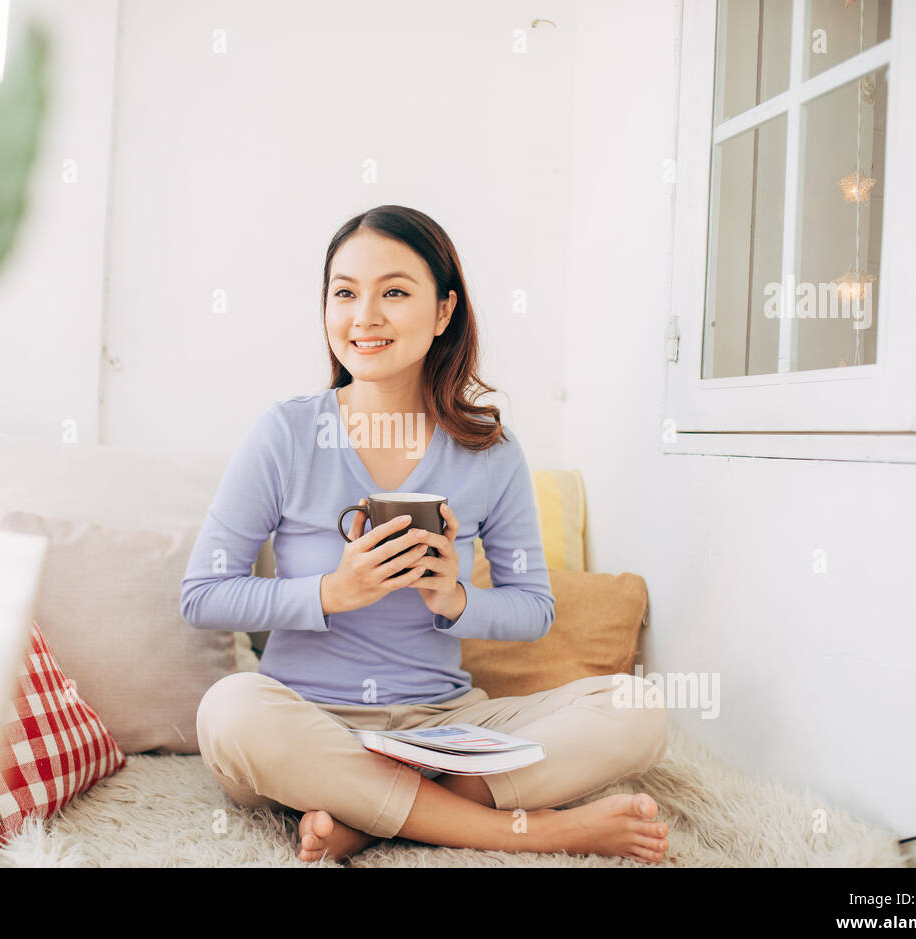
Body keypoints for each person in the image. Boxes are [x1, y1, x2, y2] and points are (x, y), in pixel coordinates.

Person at [181, 205, 669, 863]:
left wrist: (456, 600)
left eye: (395, 292)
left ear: (444, 312)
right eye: (345, 292)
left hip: (444, 728)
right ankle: (524, 828)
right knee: (228, 708)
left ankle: (369, 815)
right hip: (310, 726)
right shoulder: (286, 433)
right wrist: (331, 592)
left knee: (638, 706)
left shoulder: (490, 451)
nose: (365, 315)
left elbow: (534, 608)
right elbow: (203, 594)